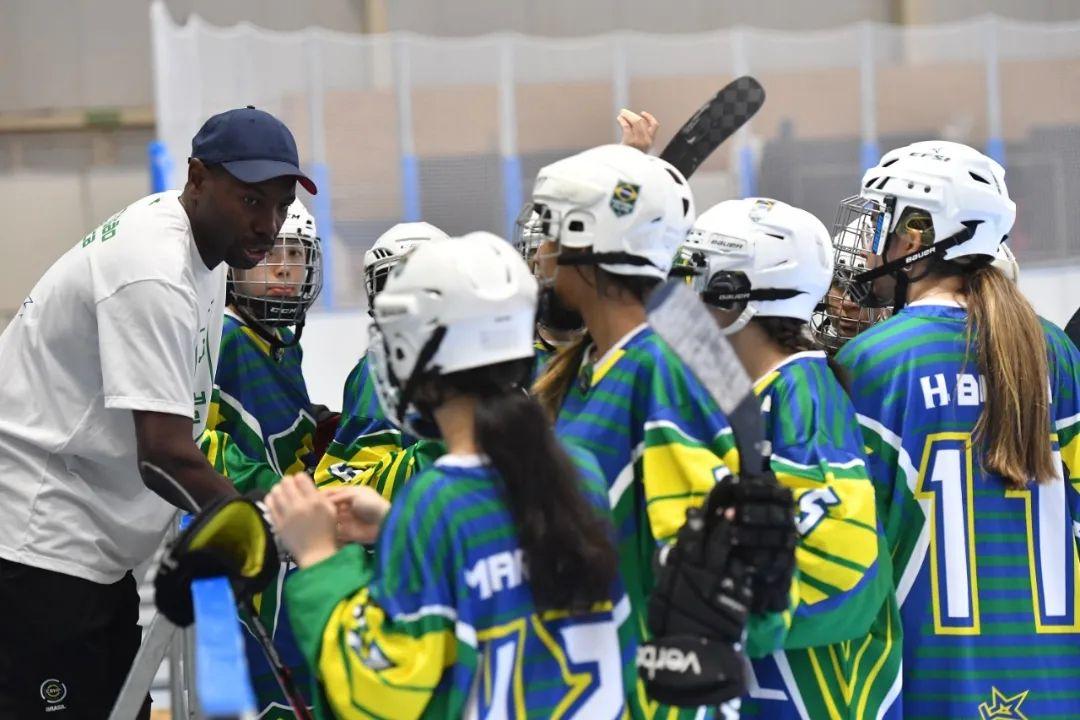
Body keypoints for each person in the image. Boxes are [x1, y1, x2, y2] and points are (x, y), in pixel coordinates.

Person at [0, 106, 316, 718]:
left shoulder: (209, 252)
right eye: (252, 202)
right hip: (36, 542)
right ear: (197, 177)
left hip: (92, 549)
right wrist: (266, 529)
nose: (268, 226)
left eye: (279, 206)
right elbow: (164, 456)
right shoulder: (152, 272)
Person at [266, 233, 630, 719]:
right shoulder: (576, 470)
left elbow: (377, 689)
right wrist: (397, 523)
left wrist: (320, 559)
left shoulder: (438, 501)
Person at [527, 144, 791, 717]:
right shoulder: (593, 365)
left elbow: (705, 571)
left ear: (589, 241)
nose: (541, 251)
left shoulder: (660, 371)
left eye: (551, 232)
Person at [831, 140, 1080, 717]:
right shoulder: (1058, 355)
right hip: (1058, 693)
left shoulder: (875, 362)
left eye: (880, 224)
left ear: (916, 236)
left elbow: (843, 558)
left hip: (928, 693)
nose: (866, 247)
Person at [678, 197, 893, 718]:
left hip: (812, 692)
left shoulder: (801, 394)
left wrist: (714, 614)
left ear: (732, 294)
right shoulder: (753, 392)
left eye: (695, 276)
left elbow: (847, 562)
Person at [197, 198, 323, 718]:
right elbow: (201, 442)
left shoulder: (280, 343)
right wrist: (272, 488)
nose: (283, 270)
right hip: (252, 539)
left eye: (294, 256)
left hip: (289, 540)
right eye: (271, 255)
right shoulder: (222, 337)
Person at [312, 222, 448, 498]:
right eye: (399, 284)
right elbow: (343, 485)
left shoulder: (464, 360)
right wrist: (452, 444)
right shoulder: (379, 368)